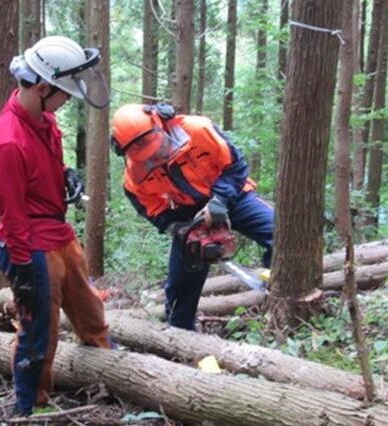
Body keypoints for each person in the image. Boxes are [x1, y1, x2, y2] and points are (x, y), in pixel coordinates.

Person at [0, 35, 112, 417]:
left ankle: (112, 374)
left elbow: (45, 172)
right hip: (30, 244)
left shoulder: (46, 121)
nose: (68, 99)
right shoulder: (8, 141)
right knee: (40, 330)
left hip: (59, 234)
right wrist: (24, 269)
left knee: (90, 309)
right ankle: (30, 407)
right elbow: (12, 214)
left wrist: (65, 177)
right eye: (64, 93)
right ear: (42, 87)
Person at [110, 103, 274, 330]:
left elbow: (235, 165)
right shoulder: (134, 178)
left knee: (280, 233)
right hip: (186, 212)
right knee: (180, 287)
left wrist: (219, 201)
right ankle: (180, 336)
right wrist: (178, 228)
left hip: (233, 194)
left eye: (157, 148)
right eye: (146, 156)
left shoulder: (199, 130)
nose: (156, 156)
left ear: (161, 123)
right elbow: (153, 209)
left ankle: (282, 288)